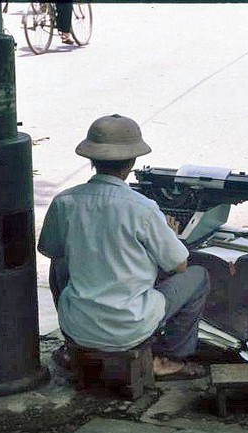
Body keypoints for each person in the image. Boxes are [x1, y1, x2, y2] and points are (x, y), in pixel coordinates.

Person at [38, 114, 210, 380]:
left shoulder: (65, 201)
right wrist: (171, 236)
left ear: (92, 160)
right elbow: (179, 264)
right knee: (198, 277)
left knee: (59, 261)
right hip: (130, 326)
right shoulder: (142, 208)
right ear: (131, 163)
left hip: (78, 324)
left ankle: (72, 347)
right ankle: (168, 358)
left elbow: (49, 249)